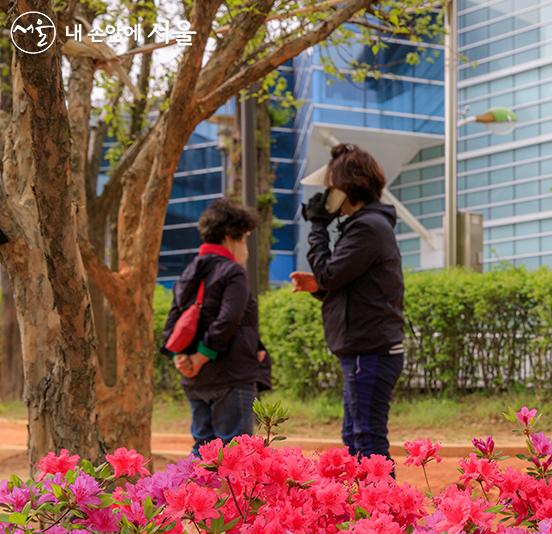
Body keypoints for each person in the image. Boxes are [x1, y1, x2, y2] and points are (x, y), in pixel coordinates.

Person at [290, 143, 405, 461]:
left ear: (347, 188)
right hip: (364, 350)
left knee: (366, 440)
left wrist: (316, 226)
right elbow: (346, 283)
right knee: (356, 437)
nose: (326, 196)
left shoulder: (367, 227)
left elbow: (329, 273)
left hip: (369, 352)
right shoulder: (365, 226)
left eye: (331, 188)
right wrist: (320, 286)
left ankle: (382, 510)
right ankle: (370, 509)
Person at [162, 198, 267, 455]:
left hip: (195, 381)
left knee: (203, 451)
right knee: (235, 453)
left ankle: (191, 496)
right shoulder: (233, 272)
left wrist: (181, 357)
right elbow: (228, 319)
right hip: (230, 377)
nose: (246, 248)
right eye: (244, 239)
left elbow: (174, 320)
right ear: (230, 237)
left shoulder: (189, 270)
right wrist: (202, 355)